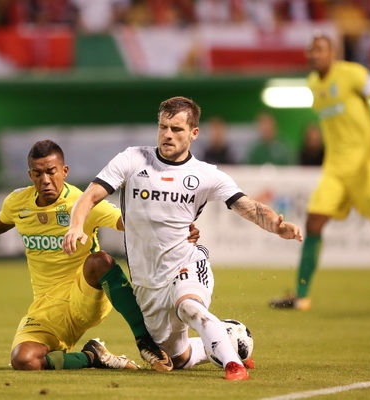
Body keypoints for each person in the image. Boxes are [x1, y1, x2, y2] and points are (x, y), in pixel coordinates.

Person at [62, 96, 303, 381]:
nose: (167, 134)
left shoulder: (205, 175)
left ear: (194, 133)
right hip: (147, 281)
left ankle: (232, 366)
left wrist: (277, 225)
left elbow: (247, 206)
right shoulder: (132, 159)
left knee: (189, 307)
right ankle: (228, 338)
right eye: (163, 126)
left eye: (177, 129)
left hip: (186, 263)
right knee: (178, 358)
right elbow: (90, 195)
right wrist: (76, 226)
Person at [0, 139, 200, 372]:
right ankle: (93, 357)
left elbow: (128, 223)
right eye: (38, 173)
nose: (45, 179)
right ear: (30, 175)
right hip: (46, 306)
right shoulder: (18, 202)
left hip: (82, 294)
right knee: (23, 360)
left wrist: (176, 230)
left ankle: (144, 339)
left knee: (99, 261)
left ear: (64, 171)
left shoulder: (82, 202)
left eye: (51, 171)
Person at [269, 34, 370, 312]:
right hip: (335, 168)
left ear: (333, 53)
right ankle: (301, 296)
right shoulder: (313, 83)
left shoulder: (353, 74)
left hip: (365, 165)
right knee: (313, 223)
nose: (314, 55)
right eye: (311, 50)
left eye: (320, 50)